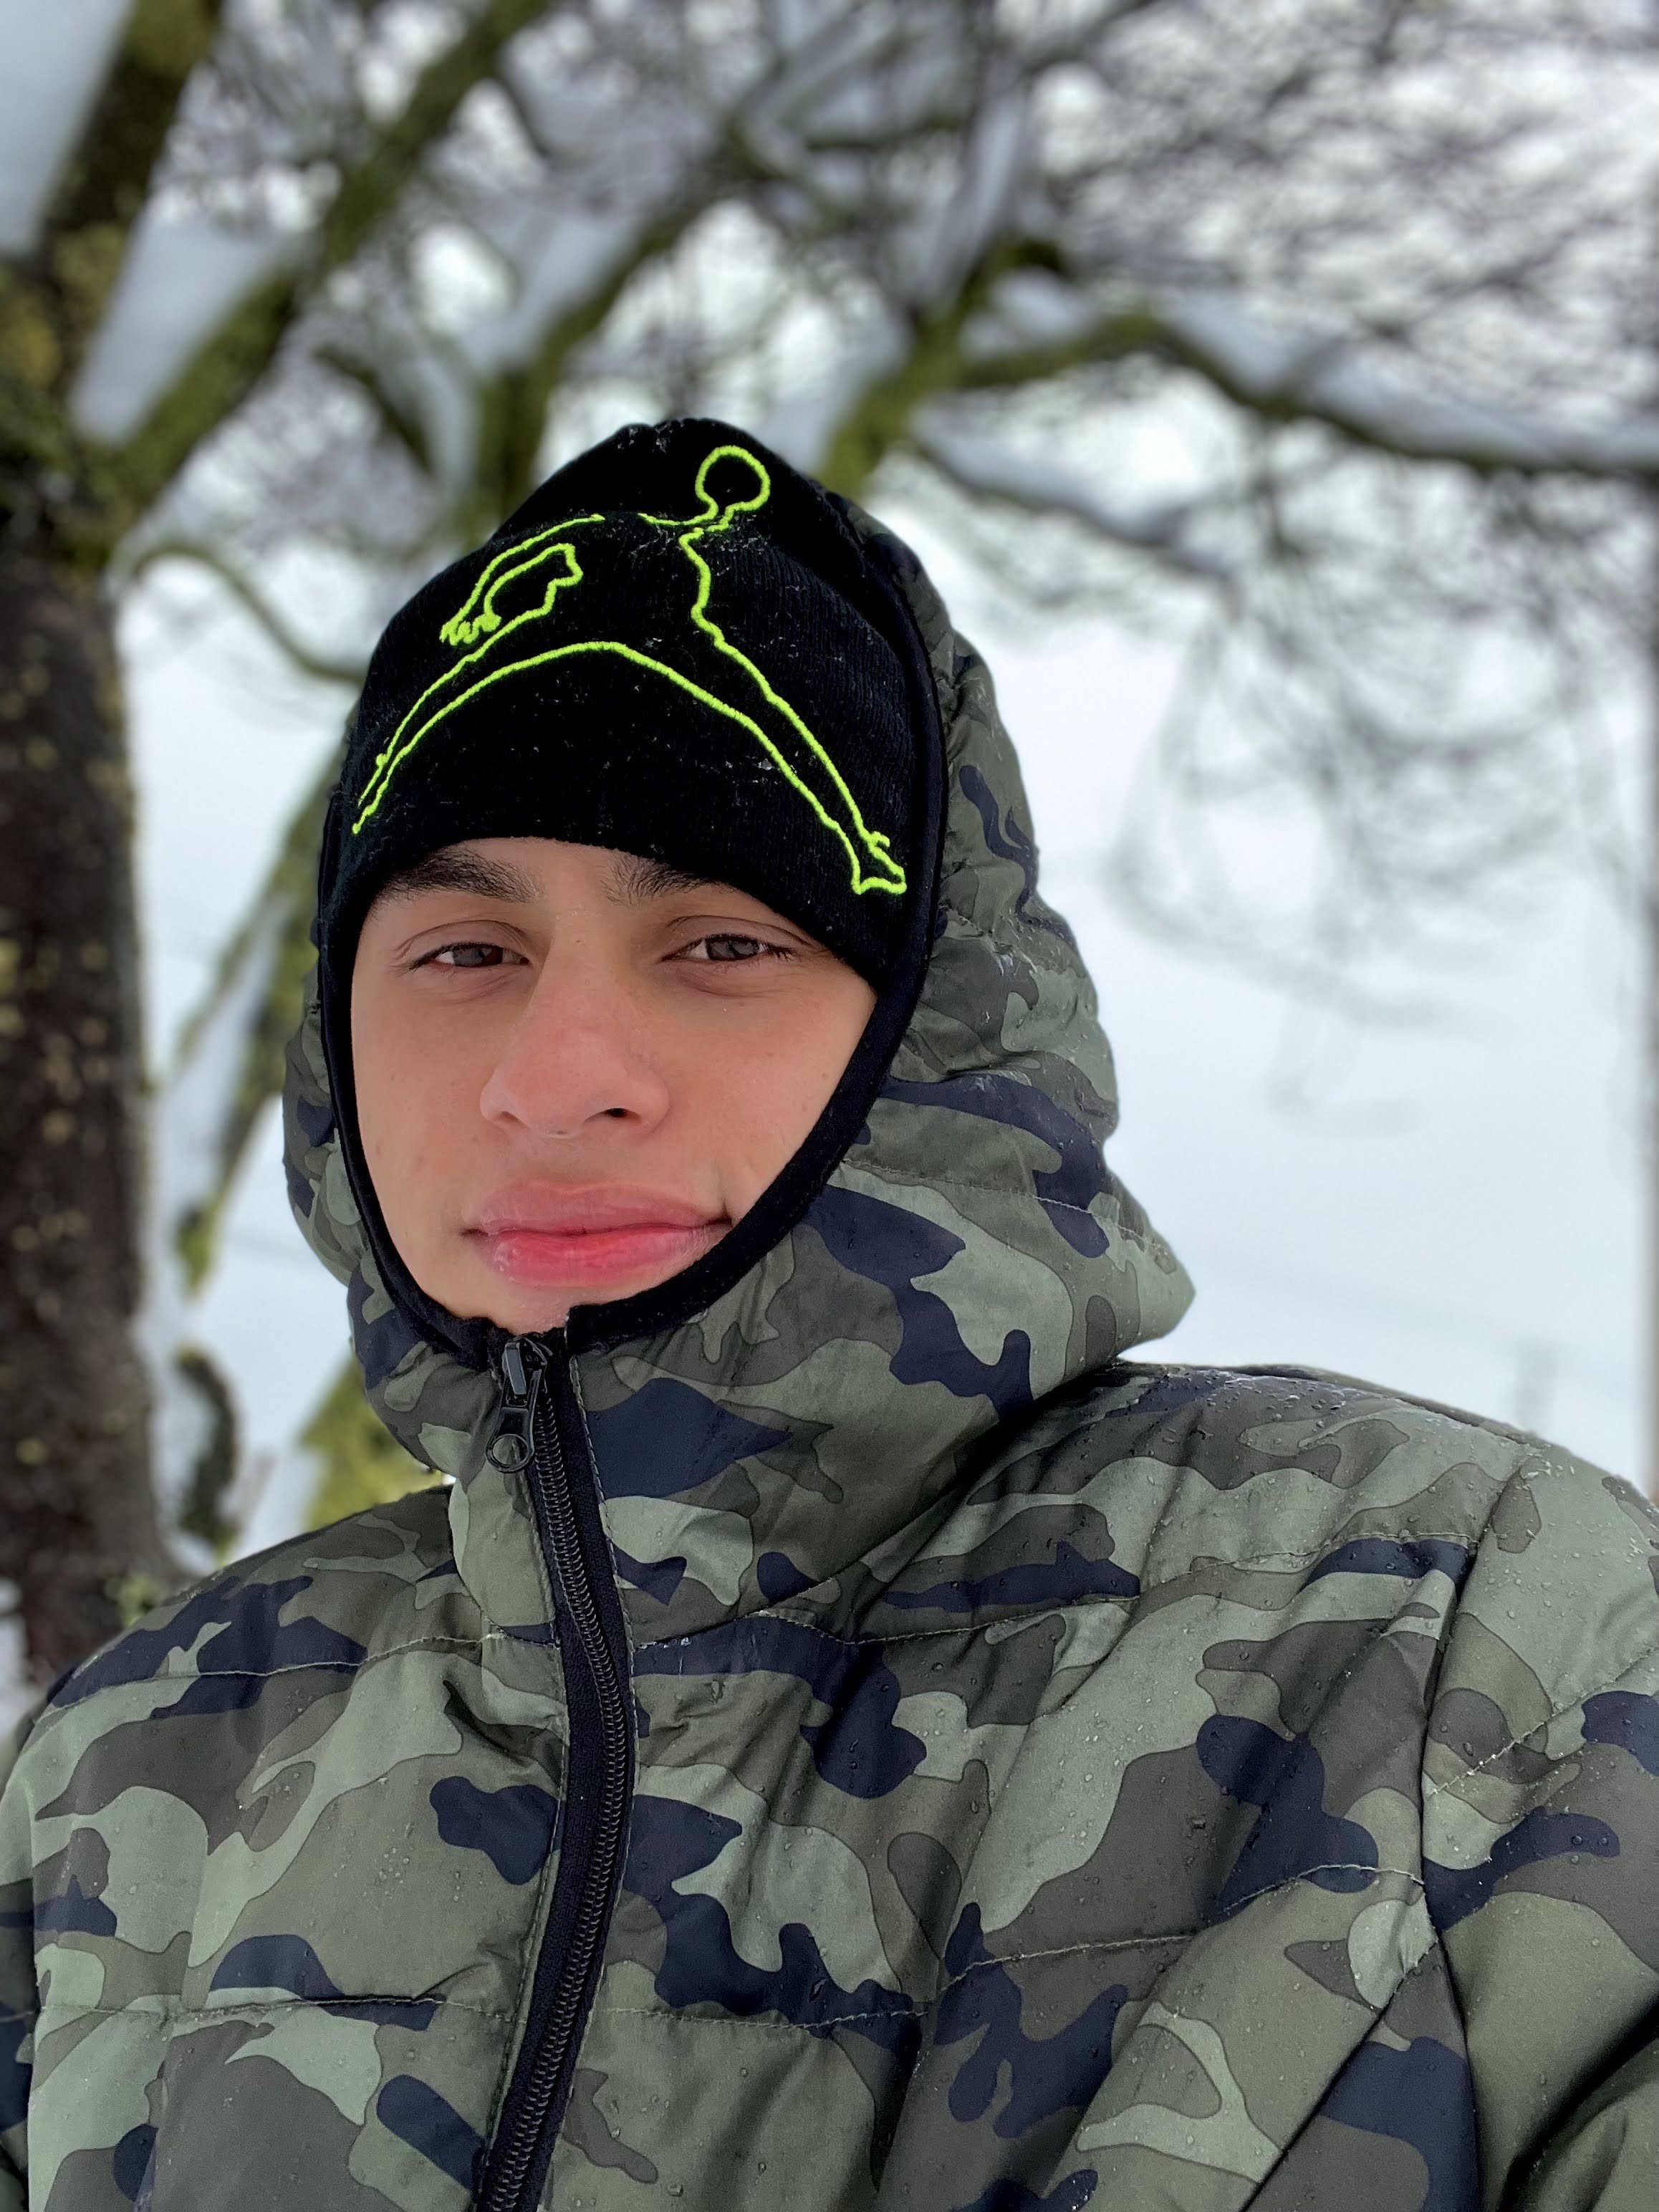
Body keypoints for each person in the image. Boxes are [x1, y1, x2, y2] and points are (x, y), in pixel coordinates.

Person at [0, 418, 1653, 2212]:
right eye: (464, 950)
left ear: (933, 1028)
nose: (555, 1073)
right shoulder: (133, 1758)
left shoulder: (1453, 1647)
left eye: (723, 941)